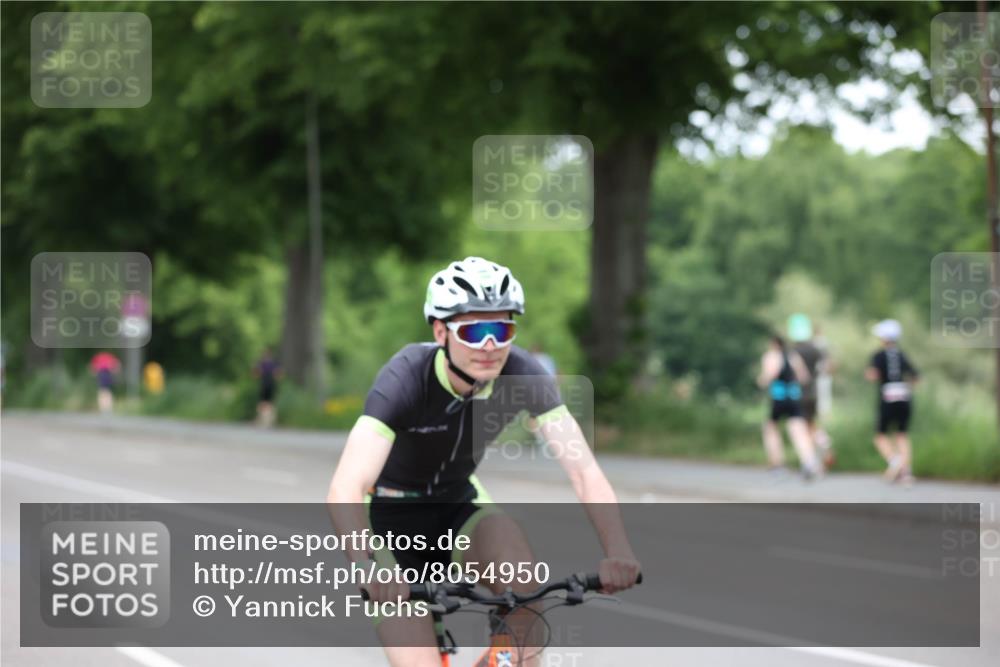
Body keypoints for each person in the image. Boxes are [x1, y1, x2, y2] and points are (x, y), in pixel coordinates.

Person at [326, 256, 641, 667]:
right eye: (475, 330)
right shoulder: (405, 377)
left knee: (524, 588)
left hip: (460, 506)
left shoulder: (524, 375)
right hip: (390, 522)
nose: (490, 345)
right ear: (441, 332)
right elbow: (344, 488)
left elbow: (583, 470)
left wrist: (617, 551)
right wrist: (370, 566)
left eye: (502, 329)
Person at [756, 334, 822, 481]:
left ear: (773, 344)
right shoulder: (793, 356)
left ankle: (777, 463)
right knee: (798, 429)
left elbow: (769, 375)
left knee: (771, 428)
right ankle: (809, 461)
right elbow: (804, 377)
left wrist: (761, 381)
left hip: (779, 397)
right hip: (794, 396)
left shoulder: (772, 356)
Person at [865, 319, 919, 486]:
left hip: (887, 394)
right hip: (903, 394)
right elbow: (915, 376)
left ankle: (895, 461)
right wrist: (906, 387)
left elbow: (872, 375)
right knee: (902, 434)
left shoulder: (878, 355)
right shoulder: (902, 354)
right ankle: (906, 471)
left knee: (880, 435)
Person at [787, 314, 834, 469]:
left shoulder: (792, 351)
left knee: (800, 427)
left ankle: (809, 461)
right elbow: (828, 367)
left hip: (798, 393)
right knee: (811, 424)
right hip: (814, 393)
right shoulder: (815, 348)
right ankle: (824, 442)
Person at [254, 348, 281, 428]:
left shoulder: (272, 363)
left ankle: (268, 420)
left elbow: (278, 374)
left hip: (270, 384)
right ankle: (263, 419)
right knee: (264, 402)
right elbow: (256, 374)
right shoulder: (263, 363)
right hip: (265, 384)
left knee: (268, 402)